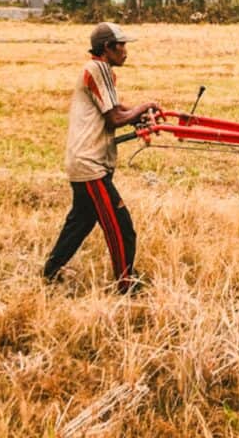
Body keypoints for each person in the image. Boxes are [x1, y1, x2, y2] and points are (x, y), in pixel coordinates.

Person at [42, 22, 159, 293]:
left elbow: (116, 109)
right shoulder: (97, 69)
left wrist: (141, 114)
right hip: (90, 165)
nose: (126, 51)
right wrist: (144, 106)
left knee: (80, 223)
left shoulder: (101, 70)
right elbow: (116, 117)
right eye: (122, 46)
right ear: (107, 48)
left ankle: (50, 273)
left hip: (86, 162)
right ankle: (126, 282)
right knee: (121, 226)